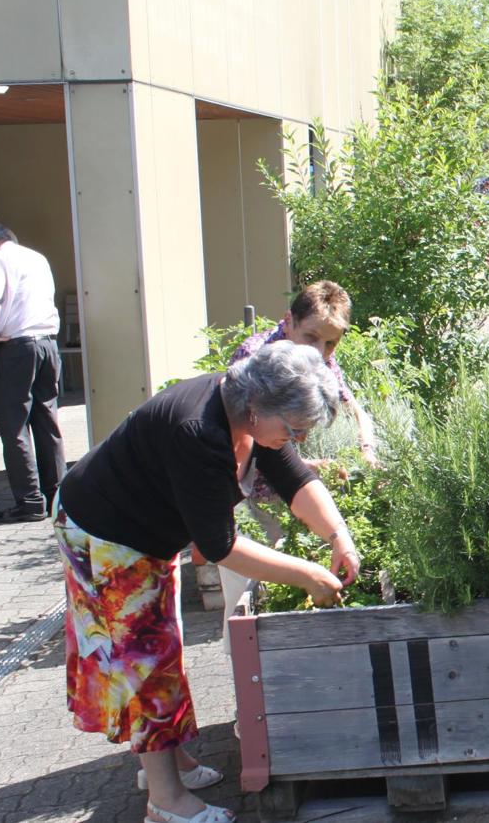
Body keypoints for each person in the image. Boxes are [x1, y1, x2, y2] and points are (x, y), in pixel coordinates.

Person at [55, 343, 361, 823]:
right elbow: (218, 546)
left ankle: (169, 759)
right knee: (145, 661)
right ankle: (165, 800)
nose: (297, 438)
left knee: (163, 647)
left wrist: (338, 537)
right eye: (294, 428)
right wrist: (307, 575)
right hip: (105, 533)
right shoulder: (198, 432)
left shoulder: (250, 412)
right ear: (258, 408)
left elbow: (294, 477)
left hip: (144, 534)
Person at [0, 222, 65, 522]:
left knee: (15, 425)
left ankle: (30, 501)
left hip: (16, 348)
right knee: (47, 422)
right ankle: (57, 497)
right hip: (47, 344)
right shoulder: (36, 258)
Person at [230, 281, 378, 469]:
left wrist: (367, 451)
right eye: (311, 337)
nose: (319, 350)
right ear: (288, 322)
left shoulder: (321, 357)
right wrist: (309, 467)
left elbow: (353, 410)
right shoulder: (255, 358)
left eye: (331, 343)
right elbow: (244, 441)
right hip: (252, 479)